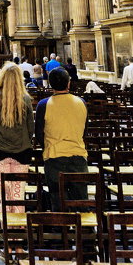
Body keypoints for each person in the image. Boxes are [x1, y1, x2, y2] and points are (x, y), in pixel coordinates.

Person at [35, 66, 88, 212]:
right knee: (81, 199)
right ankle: (84, 230)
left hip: (54, 156)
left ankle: (60, 229)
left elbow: (38, 133)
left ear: (50, 84)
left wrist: (47, 146)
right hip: (78, 155)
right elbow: (85, 130)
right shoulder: (81, 102)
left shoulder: (44, 104)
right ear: (68, 83)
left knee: (57, 200)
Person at [0, 64, 34, 212]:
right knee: (18, 193)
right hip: (22, 151)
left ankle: (6, 228)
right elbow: (30, 128)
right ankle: (18, 229)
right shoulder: (25, 98)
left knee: (4, 192)